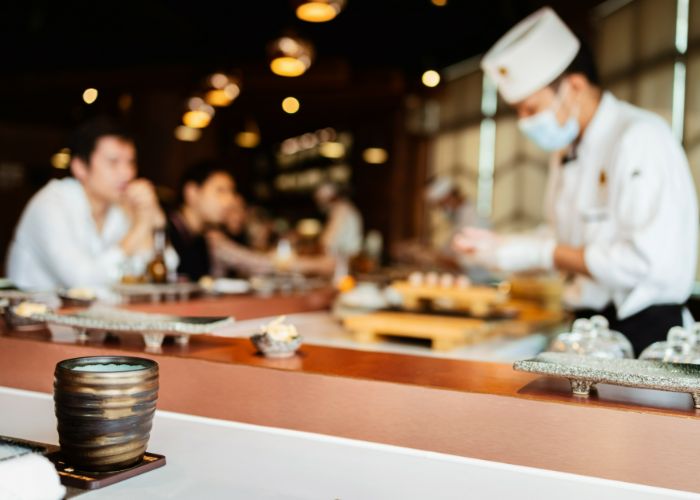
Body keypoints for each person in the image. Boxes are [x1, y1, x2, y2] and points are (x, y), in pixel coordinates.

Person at [453, 7, 698, 354]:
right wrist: (502, 246)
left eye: (531, 108)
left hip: (647, 333)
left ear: (575, 86)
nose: (525, 122)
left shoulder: (638, 138)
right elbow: (564, 237)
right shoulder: (566, 151)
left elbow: (645, 262)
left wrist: (539, 252)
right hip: (590, 328)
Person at [7, 117, 172, 289]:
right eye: (113, 162)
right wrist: (140, 228)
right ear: (80, 167)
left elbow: (165, 269)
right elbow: (82, 282)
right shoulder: (50, 204)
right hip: (33, 311)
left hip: (90, 314)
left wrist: (154, 216)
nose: (127, 173)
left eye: (131, 162)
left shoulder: (119, 207)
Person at [169, 161, 272, 280]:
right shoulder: (164, 232)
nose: (230, 201)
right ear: (192, 192)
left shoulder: (201, 240)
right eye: (221, 191)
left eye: (231, 192)